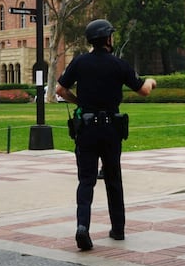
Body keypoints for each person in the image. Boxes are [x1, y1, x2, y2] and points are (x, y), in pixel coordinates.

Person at [56, 19, 157, 251]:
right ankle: (118, 229)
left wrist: (79, 101)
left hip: (87, 130)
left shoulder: (80, 62)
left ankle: (83, 226)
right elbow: (143, 90)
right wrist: (151, 81)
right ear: (108, 39)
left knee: (86, 180)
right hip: (111, 130)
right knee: (113, 179)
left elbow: (60, 89)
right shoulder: (119, 64)